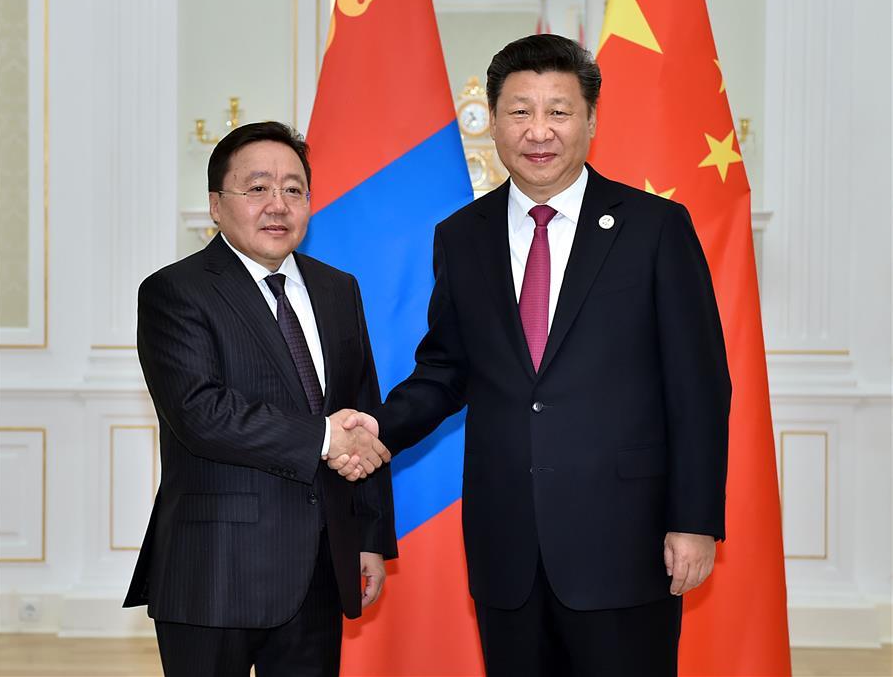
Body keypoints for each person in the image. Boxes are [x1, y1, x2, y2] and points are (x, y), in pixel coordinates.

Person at [335, 35, 730, 676]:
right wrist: (379, 426)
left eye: (559, 111)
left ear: (592, 121)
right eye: (520, 112)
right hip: (507, 541)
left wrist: (694, 520)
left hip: (626, 540)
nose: (538, 131)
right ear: (492, 122)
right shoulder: (463, 236)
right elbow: (446, 369)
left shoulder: (655, 227)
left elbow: (699, 387)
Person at [124, 121, 397, 677]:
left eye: (294, 189)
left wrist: (368, 538)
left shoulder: (337, 288)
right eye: (257, 188)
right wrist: (325, 438)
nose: (278, 204)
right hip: (213, 569)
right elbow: (201, 412)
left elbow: (361, 414)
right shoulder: (175, 291)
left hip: (320, 566)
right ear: (216, 205)